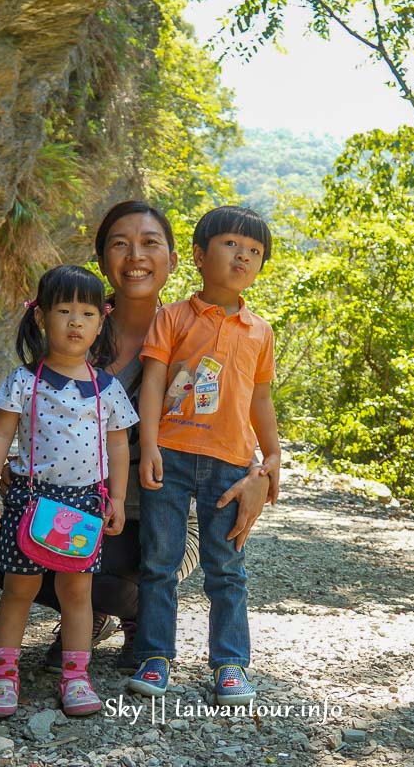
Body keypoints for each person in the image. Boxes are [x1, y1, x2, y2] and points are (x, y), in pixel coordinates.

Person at [0, 201, 271, 674]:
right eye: (120, 243)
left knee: (141, 561)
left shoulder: (190, 329)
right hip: (81, 504)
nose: (135, 254)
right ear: (102, 260)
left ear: (177, 260)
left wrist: (261, 470)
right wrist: (20, 472)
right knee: (5, 546)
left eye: (150, 243)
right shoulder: (77, 329)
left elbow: (245, 405)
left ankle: (134, 617)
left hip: (168, 515)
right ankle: (90, 613)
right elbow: (31, 412)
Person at [126, 205, 280, 707]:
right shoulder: (172, 317)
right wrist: (148, 444)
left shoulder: (259, 330)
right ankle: (155, 656)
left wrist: (272, 454)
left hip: (232, 462)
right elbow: (152, 383)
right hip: (169, 454)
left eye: (255, 251)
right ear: (197, 254)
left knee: (227, 567)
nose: (244, 257)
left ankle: (230, 664)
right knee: (159, 561)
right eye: (232, 244)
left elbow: (260, 398)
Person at [0, 265, 137, 718]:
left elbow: (119, 444)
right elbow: (0, 435)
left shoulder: (107, 389)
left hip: (86, 503)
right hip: (28, 499)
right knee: (19, 590)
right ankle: (4, 675)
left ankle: (76, 676)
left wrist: (118, 499)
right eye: (63, 310)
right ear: (41, 317)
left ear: (101, 322)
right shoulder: (24, 381)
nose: (75, 322)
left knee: (77, 592)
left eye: (87, 312)